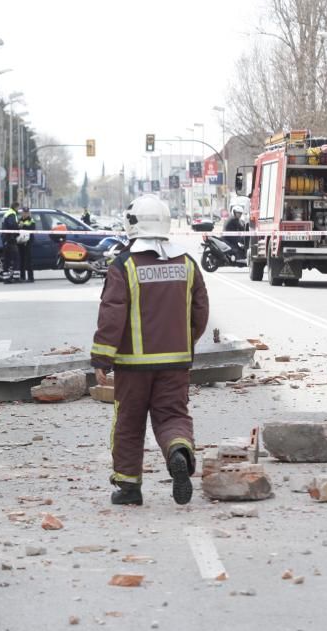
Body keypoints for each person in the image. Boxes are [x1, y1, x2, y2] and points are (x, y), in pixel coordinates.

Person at [91, 194, 209, 506]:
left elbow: (111, 316)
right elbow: (200, 312)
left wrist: (102, 358)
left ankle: (129, 488)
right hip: (176, 363)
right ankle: (179, 451)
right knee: (172, 416)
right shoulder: (186, 263)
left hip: (132, 367)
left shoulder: (125, 266)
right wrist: (185, 343)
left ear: (132, 225)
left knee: (129, 424)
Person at [0, 202, 21, 284]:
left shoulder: (7, 213)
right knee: (16, 258)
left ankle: (6, 278)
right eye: (18, 208)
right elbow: (12, 225)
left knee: (7, 259)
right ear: (15, 207)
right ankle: (16, 277)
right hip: (10, 239)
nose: (18, 209)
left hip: (6, 239)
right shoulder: (12, 214)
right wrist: (18, 226)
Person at [17, 207, 36, 282]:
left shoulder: (31, 220)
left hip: (28, 242)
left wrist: (23, 226)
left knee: (28, 260)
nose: (25, 214)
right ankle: (22, 277)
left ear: (29, 213)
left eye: (26, 213)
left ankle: (31, 278)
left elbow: (32, 228)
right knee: (21, 260)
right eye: (23, 212)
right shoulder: (19, 220)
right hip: (20, 242)